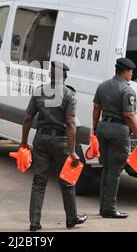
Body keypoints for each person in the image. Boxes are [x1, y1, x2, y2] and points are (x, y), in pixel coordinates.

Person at [20, 61, 87, 231]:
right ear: (64, 77)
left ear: (50, 74)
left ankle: (34, 222)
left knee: (39, 182)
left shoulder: (38, 92)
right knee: (66, 181)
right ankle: (71, 218)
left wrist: (23, 142)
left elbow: (28, 118)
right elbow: (71, 123)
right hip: (61, 142)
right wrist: (72, 152)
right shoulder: (69, 94)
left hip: (40, 139)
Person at [92, 58, 137, 219]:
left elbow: (96, 107)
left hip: (103, 128)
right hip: (118, 131)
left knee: (107, 168)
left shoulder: (103, 86)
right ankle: (109, 208)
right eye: (130, 71)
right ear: (124, 72)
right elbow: (129, 115)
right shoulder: (127, 90)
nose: (132, 74)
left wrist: (95, 129)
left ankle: (103, 205)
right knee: (115, 171)